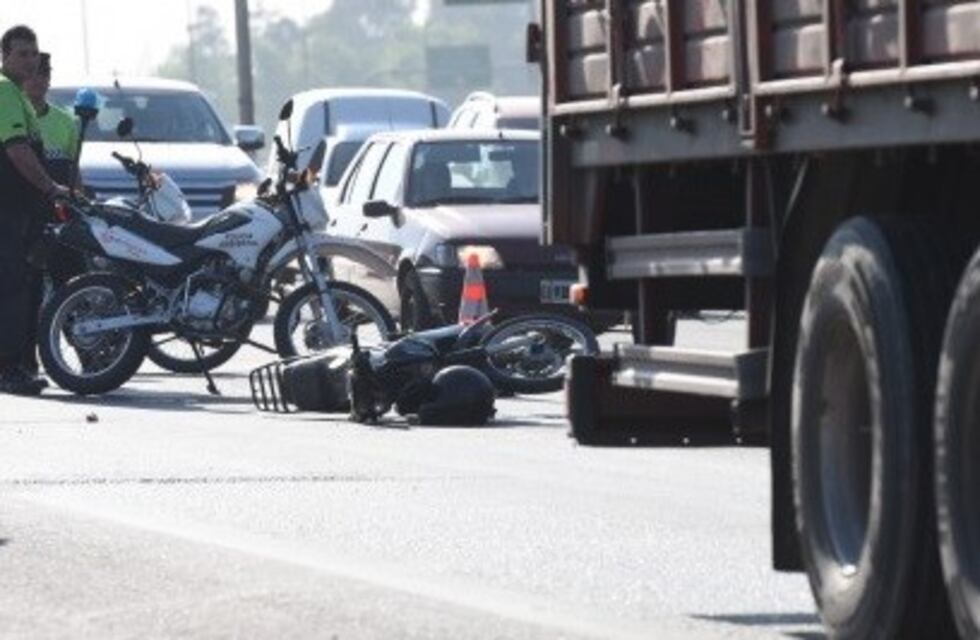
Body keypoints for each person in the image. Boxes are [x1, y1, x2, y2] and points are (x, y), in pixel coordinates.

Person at [0, 25, 68, 396]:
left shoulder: (19, 95)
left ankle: (23, 362)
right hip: (7, 210)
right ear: (5, 55)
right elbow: (16, 150)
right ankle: (9, 369)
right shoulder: (4, 90)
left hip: (21, 211)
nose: (30, 60)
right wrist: (50, 187)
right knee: (11, 286)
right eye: (22, 53)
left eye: (34, 54)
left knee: (25, 286)